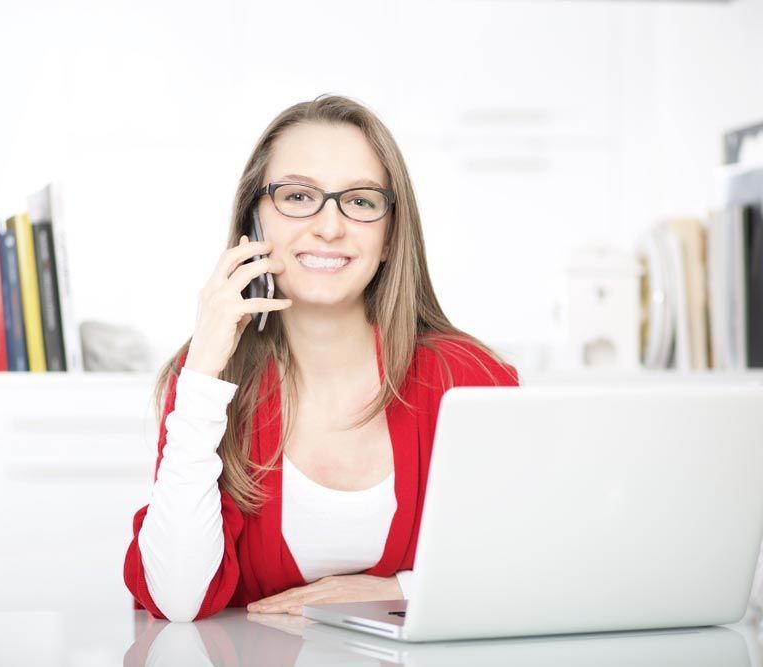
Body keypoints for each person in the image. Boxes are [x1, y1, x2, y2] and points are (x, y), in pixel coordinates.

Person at [123, 94, 519, 622]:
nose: (329, 226)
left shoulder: (469, 380)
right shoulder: (209, 376)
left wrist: (399, 589)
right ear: (254, 223)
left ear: (389, 236)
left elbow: (521, 567)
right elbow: (177, 598)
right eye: (297, 196)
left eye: (359, 201)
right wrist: (201, 375)